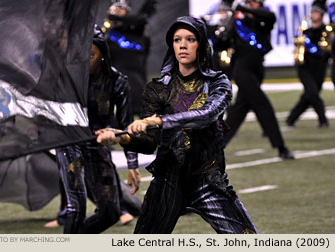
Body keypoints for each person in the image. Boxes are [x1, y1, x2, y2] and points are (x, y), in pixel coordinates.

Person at [95, 16, 257, 234]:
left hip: (208, 181)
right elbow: (149, 142)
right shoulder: (158, 89)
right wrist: (120, 137)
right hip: (167, 181)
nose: (182, 45)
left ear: (201, 43)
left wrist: (160, 120)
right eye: (177, 39)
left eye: (190, 39)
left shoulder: (218, 82)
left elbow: (206, 115)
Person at [55, 25, 141, 234]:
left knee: (110, 212)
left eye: (91, 55)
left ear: (102, 53)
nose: (84, 61)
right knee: (76, 209)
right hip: (70, 144)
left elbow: (127, 125)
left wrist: (132, 164)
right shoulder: (66, 79)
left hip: (98, 146)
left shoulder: (117, 81)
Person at [218, 0, 294, 159]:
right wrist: (225, 26)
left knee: (238, 110)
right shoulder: (238, 21)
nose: (250, 4)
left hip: (257, 69)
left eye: (253, 2)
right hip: (242, 70)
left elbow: (269, 17)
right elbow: (222, 43)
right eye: (247, 2)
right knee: (262, 104)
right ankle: (281, 147)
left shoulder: (263, 19)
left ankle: (217, 147)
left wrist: (243, 9)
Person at [105, 0, 157, 115]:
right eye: (115, 8)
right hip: (120, 74)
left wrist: (116, 17)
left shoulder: (135, 28)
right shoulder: (111, 34)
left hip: (136, 73)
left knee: (143, 104)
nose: (117, 11)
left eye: (120, 8)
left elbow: (142, 18)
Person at [286, 0, 330, 128]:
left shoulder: (326, 31)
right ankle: (323, 120)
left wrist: (309, 44)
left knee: (309, 95)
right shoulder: (305, 31)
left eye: (316, 12)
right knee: (312, 93)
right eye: (312, 11)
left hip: (320, 68)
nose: (312, 14)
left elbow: (324, 52)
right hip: (304, 67)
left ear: (321, 14)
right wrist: (299, 42)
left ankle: (291, 119)